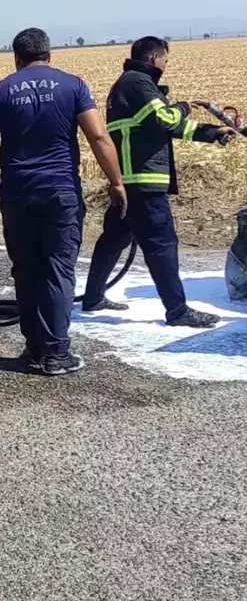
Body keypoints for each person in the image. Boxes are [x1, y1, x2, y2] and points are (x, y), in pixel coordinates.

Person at [0, 28, 127, 376]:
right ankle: (56, 353)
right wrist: (116, 183)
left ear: (17, 58)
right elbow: (98, 136)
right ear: (49, 55)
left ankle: (33, 350)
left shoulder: (3, 90)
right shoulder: (73, 85)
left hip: (16, 192)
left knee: (26, 269)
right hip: (60, 191)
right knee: (58, 268)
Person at [82, 36, 233, 328]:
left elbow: (156, 125)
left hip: (127, 181)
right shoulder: (138, 84)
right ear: (154, 58)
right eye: (165, 59)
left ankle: (92, 297)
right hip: (144, 183)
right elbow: (165, 120)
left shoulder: (126, 84)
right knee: (162, 244)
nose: (165, 64)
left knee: (114, 239)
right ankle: (177, 311)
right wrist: (185, 107)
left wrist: (211, 132)